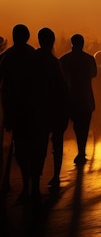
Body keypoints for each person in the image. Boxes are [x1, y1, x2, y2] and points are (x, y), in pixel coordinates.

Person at [0, 24, 38, 201]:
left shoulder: (6, 57)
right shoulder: (34, 55)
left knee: (18, 149)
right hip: (32, 109)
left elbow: (4, 87)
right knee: (31, 148)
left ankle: (21, 185)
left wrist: (6, 113)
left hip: (15, 109)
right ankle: (32, 185)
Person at [35, 28, 69, 190]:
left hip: (38, 111)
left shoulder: (33, 59)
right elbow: (62, 88)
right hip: (54, 111)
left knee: (38, 146)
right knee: (57, 145)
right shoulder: (54, 61)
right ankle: (55, 175)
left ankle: (35, 179)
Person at [60, 34, 98, 165]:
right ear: (83, 44)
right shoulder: (89, 59)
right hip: (86, 98)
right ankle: (82, 151)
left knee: (76, 126)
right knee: (85, 126)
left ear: (71, 43)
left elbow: (61, 79)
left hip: (71, 98)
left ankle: (80, 151)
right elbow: (94, 74)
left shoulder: (64, 59)